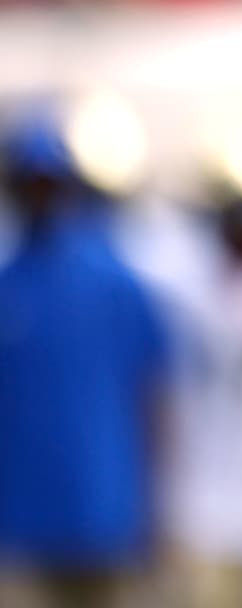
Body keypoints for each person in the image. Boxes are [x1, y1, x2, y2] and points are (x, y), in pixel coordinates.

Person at [0, 103, 173, 608]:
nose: (40, 196)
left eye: (49, 183)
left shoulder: (117, 283)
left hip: (108, 518)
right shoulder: (8, 284)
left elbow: (155, 398)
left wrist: (159, 511)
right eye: (30, 183)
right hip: (23, 528)